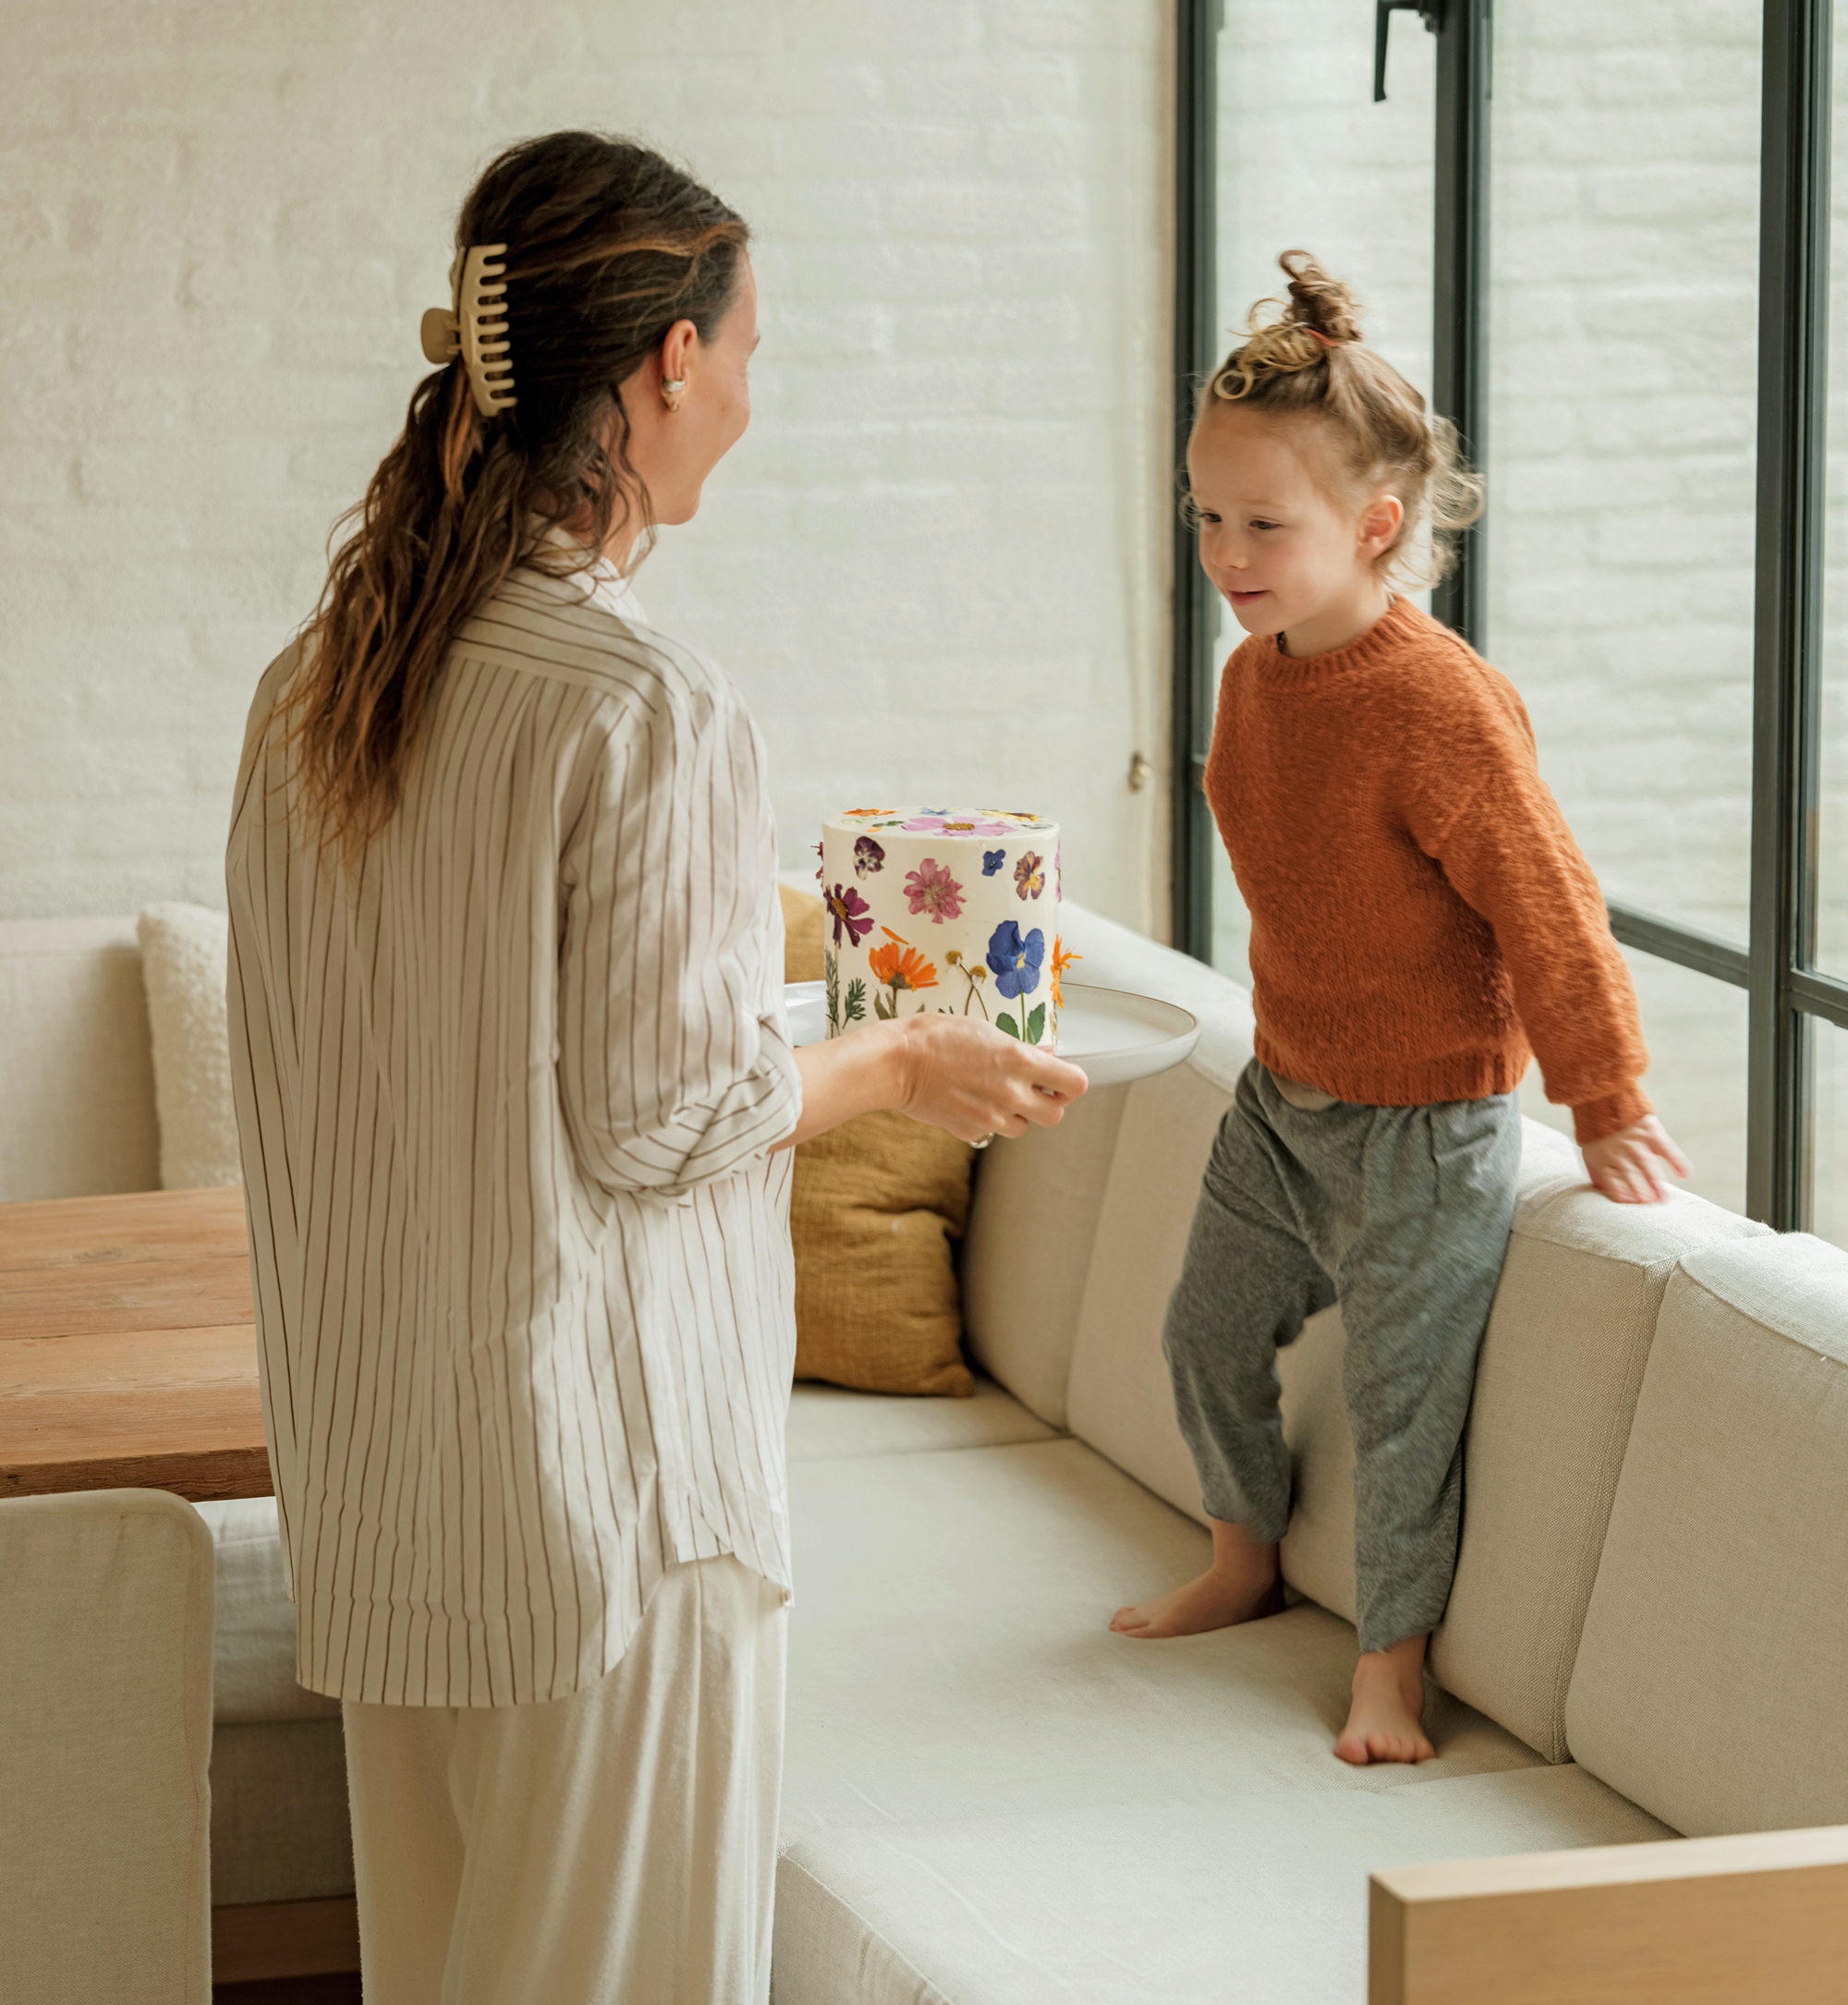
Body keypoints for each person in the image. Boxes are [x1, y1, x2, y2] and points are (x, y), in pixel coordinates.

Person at [225, 130, 1085, 2003]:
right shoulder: (643, 705)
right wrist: (890, 1063)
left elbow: (455, 1068)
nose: (750, 406)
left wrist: (818, 1029)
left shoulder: (316, 687)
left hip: (391, 1503)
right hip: (608, 1521)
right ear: (665, 366)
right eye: (748, 356)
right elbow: (656, 1119)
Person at [1109, 250, 1688, 1766]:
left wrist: (1607, 1096)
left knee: (1402, 1407)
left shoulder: (1439, 706)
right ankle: (1243, 1558)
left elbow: (1549, 904)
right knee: (1199, 1335)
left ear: (1376, 525)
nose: (1225, 552)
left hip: (1427, 1131)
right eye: (1208, 517)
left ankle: (1391, 1667)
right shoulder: (1254, 677)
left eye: (1263, 523)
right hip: (1283, 1097)